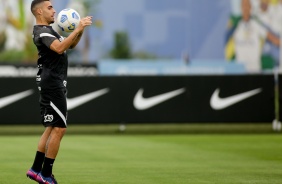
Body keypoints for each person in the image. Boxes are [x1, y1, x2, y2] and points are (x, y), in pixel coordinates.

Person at [26, 0, 92, 183]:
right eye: (50, 8)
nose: (54, 11)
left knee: (50, 129)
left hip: (51, 83)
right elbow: (59, 47)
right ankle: (46, 175)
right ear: (39, 12)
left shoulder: (49, 30)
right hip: (52, 85)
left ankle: (35, 169)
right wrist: (77, 28)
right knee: (59, 129)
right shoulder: (43, 32)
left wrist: (80, 29)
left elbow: (70, 45)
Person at [230, 0, 280, 72]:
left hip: (255, 69)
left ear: (251, 8)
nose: (245, 8)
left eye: (247, 5)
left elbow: (274, 39)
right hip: (240, 70)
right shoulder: (235, 25)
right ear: (240, 8)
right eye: (244, 5)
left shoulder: (256, 24)